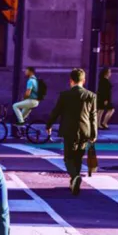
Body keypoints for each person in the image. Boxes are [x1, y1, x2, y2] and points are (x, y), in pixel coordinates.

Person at [46, 68, 98, 196]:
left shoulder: (65, 95)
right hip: (85, 130)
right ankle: (74, 180)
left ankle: (74, 176)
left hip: (69, 130)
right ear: (83, 81)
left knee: (68, 157)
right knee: (79, 156)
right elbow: (93, 116)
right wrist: (94, 133)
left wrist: (49, 125)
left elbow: (56, 111)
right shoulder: (91, 96)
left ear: (71, 81)